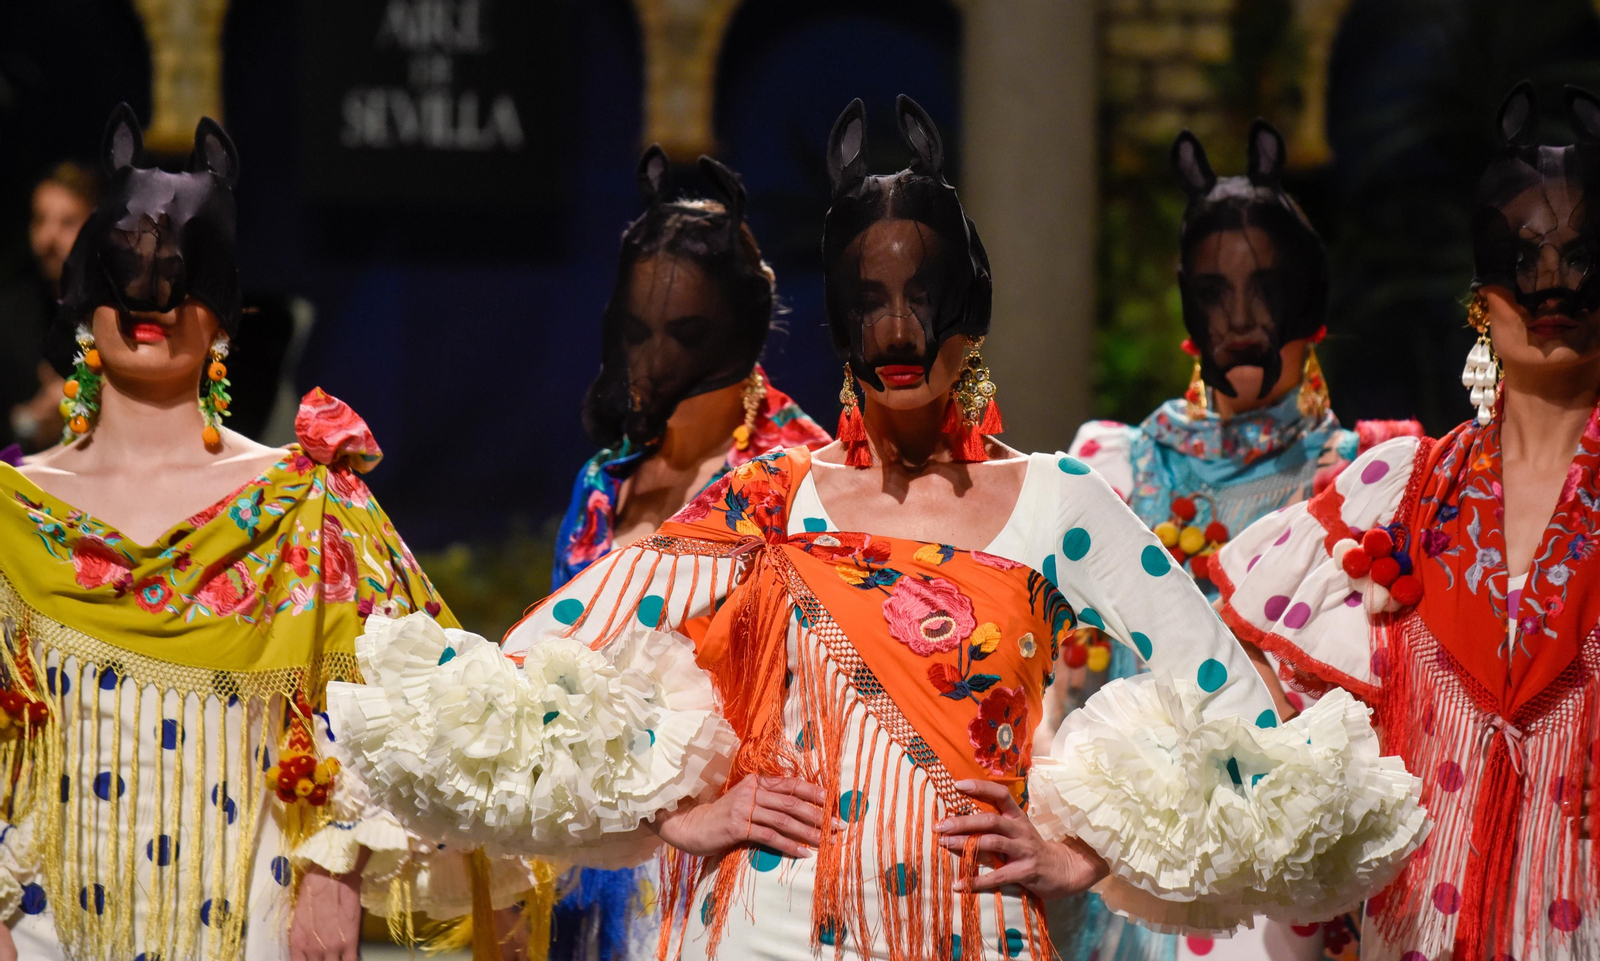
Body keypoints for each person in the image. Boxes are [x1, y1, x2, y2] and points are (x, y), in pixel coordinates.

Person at [330, 96, 1426, 961]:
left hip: (979, 925)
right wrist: (677, 813)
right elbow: (544, 664)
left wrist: (1081, 848)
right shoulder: (768, 498)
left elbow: (1229, 698)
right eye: (869, 298)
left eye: (926, 292)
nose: (899, 328)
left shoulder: (1058, 504)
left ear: (974, 311)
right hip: (769, 928)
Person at [0, 105, 526, 961]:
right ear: (86, 300)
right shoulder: (13, 511)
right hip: (44, 919)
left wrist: (338, 860)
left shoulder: (304, 502)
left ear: (223, 317)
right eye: (125, 267)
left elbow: (415, 703)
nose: (152, 300)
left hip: (253, 911)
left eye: (181, 271)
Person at [1214, 81, 1600, 960]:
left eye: (1583, 258)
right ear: (1480, 297)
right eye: (1522, 257)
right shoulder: (1400, 494)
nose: (1552, 285)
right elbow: (1285, 737)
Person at [1064, 122, 1420, 961]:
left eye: (1269, 288)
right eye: (1216, 291)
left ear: (1314, 302)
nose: (1244, 320)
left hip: (1308, 888)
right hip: (1142, 879)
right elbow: (1064, 678)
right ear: (1189, 303)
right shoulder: (1118, 469)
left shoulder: (1376, 476)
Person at [549, 147, 829, 961]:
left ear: (739, 328)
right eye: (635, 330)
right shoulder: (605, 480)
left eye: (684, 332)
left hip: (734, 870)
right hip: (594, 857)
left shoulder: (800, 476)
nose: (652, 358)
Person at [0, 161, 98, 455]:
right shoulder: (10, 314)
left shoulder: (115, 316)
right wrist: (31, 423)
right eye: (40, 220)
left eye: (67, 222)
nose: (48, 238)